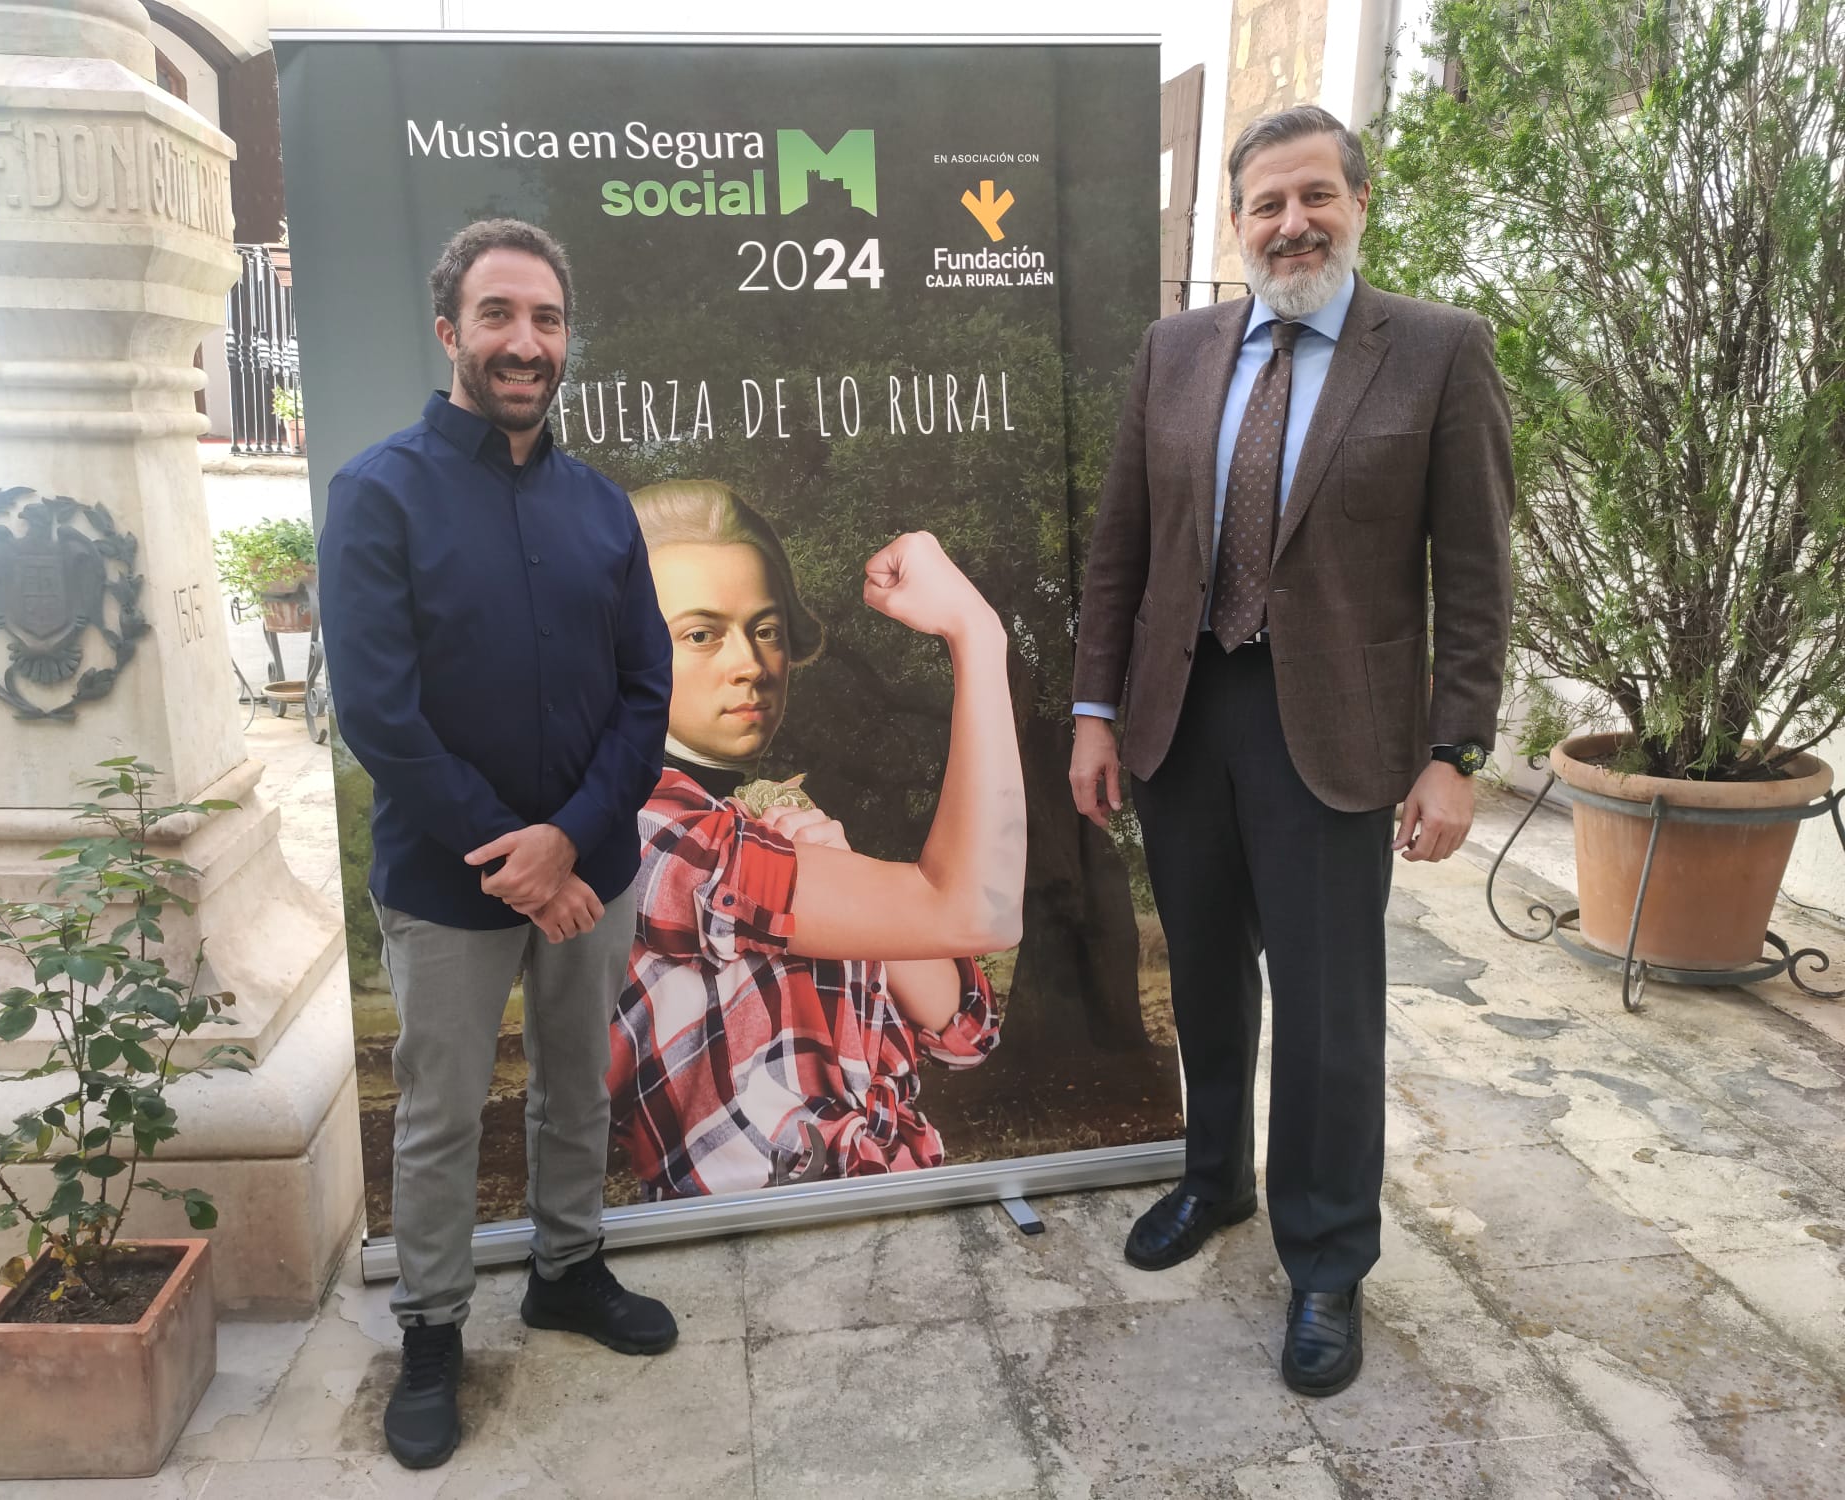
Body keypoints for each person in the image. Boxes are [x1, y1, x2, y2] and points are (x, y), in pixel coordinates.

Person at [1069, 105, 1514, 1398]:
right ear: (1235, 223)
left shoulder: (1435, 353)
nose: (1291, 223)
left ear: (1359, 203)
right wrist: (1096, 710)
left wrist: (1455, 748)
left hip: (1333, 733)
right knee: (1204, 973)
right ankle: (1215, 1180)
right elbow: (1121, 553)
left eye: (1314, 196)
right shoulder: (1175, 352)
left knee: (1328, 1013)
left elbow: (1475, 570)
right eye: (1266, 204)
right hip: (1179, 713)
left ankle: (1327, 1259)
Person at [319, 217, 677, 1471]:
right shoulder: (377, 493)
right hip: (446, 884)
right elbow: (377, 713)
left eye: (545, 320)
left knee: (577, 1082)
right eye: (498, 316)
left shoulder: (598, 507)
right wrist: (509, 852)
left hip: (590, 879)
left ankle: (567, 1271)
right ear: (449, 331)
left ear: (565, 340)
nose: (524, 343)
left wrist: (570, 843)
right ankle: (429, 1331)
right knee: (439, 1115)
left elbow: (646, 690)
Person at [607, 479, 1023, 1196]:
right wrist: (976, 636)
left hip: (893, 1210)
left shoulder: (767, 830)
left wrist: (842, 865)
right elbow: (977, 911)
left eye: (765, 630)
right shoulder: (646, 833)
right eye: (700, 634)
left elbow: (963, 1029)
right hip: (758, 1249)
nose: (752, 666)